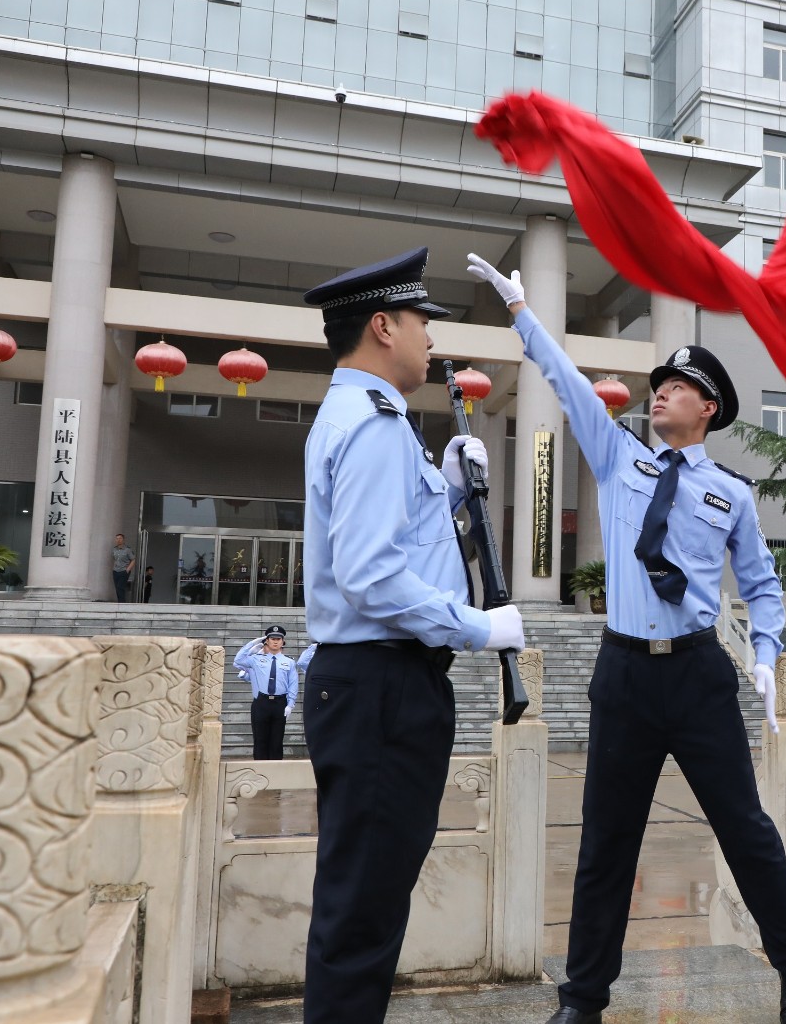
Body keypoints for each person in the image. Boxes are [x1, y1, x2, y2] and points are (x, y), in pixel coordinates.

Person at [467, 253, 786, 1024]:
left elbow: (758, 587)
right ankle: (582, 1000)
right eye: (660, 385)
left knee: (747, 830)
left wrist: (761, 654)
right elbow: (568, 384)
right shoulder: (620, 457)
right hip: (623, 674)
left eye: (679, 387)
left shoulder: (731, 496)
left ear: (709, 409)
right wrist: (523, 315)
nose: (662, 394)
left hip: (697, 676)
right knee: (605, 845)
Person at [299, 246, 524, 1023]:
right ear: (384, 326)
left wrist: (452, 491)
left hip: (381, 685)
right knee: (361, 911)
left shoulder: (377, 421)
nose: (432, 338)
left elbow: (396, 548)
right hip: (379, 687)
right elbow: (370, 576)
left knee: (369, 900)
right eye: (424, 322)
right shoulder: (369, 425)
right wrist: (476, 628)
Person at [233, 625, 300, 760]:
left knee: (277, 740)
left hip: (280, 702)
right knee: (260, 739)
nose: (275, 641)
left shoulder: (289, 662)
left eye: (278, 639)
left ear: (283, 642)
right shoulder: (256, 659)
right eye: (272, 638)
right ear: (267, 641)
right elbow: (238, 660)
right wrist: (253, 643)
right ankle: (260, 770)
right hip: (261, 702)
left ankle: (276, 772)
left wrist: (290, 704)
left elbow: (293, 683)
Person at [110, 534, 135, 602]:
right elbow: (114, 559)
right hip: (115, 571)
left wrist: (127, 570)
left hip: (123, 571)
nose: (118, 540)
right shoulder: (114, 549)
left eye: (120, 538)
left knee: (120, 587)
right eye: (117, 538)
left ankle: (122, 604)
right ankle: (119, 603)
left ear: (123, 540)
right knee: (117, 588)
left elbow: (133, 560)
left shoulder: (127, 550)